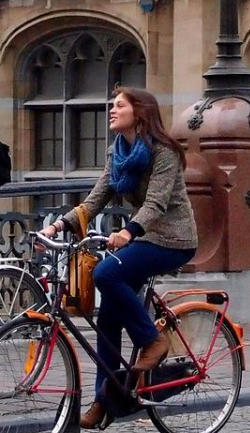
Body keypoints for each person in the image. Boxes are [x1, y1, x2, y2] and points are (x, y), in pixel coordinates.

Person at [39, 87, 198, 430]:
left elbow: (156, 203)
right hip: (143, 237)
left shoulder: (164, 152)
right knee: (107, 321)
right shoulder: (118, 151)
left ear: (139, 113)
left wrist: (129, 232)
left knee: (106, 274)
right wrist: (59, 225)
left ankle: (153, 341)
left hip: (173, 239)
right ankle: (104, 402)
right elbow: (96, 198)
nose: (111, 110)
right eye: (112, 104)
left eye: (119, 105)